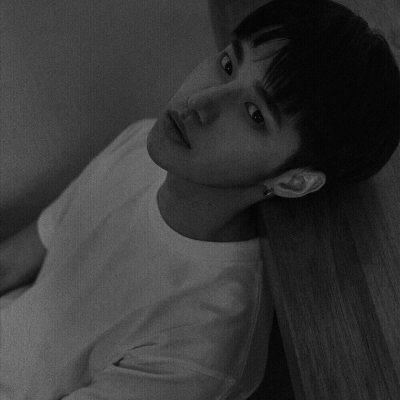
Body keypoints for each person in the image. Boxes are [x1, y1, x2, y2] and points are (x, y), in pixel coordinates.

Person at [0, 0, 399, 399]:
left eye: (254, 114)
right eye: (227, 65)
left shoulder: (207, 339)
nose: (199, 102)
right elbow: (14, 260)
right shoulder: (142, 144)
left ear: (294, 181)